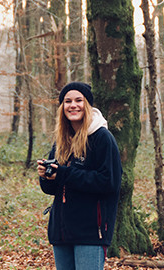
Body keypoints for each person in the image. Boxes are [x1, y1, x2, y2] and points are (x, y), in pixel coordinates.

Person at [37, 82, 122, 270]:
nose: (73, 105)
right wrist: (46, 176)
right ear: (62, 107)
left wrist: (65, 174)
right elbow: (52, 188)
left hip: (90, 232)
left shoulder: (102, 138)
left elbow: (109, 182)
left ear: (88, 105)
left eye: (78, 100)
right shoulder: (62, 140)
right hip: (61, 232)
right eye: (67, 101)